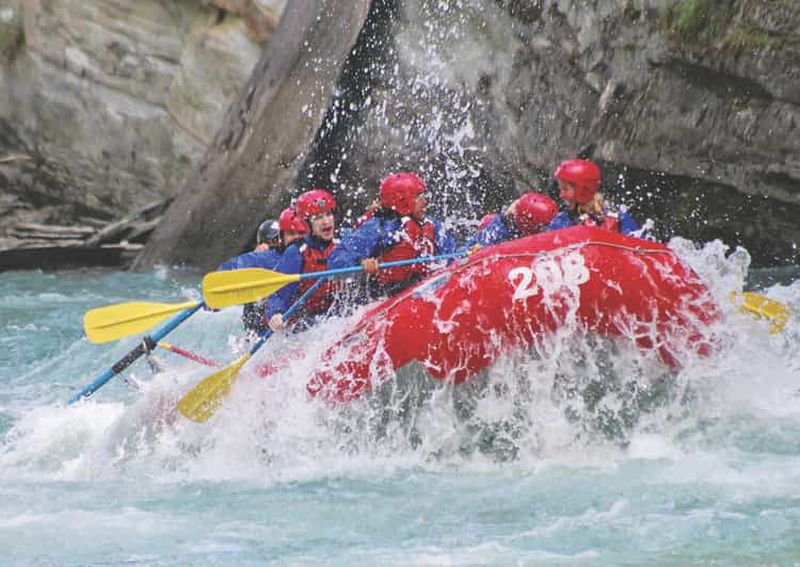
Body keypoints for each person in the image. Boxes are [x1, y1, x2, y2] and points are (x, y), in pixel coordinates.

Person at [328, 171, 457, 299]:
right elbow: (336, 258)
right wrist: (361, 262)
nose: (425, 201)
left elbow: (452, 256)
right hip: (386, 298)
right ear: (403, 202)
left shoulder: (432, 224)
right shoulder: (379, 228)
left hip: (426, 290)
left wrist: (468, 252)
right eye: (418, 197)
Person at [217, 208, 309, 333]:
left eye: (276, 240)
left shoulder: (295, 255)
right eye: (271, 241)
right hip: (260, 324)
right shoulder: (261, 259)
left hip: (291, 317)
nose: (274, 244)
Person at [267, 189, 339, 332]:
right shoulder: (296, 253)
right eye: (318, 217)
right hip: (306, 323)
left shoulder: (344, 241)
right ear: (306, 223)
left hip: (339, 312)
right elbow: (279, 293)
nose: (326, 221)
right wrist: (276, 313)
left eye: (328, 214)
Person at [548, 159, 642, 235]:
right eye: (560, 189)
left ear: (583, 190)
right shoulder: (562, 221)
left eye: (565, 189)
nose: (561, 195)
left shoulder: (618, 218)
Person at [464, 192, 558, 250]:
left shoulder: (498, 234)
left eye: (516, 206)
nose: (514, 204)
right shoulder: (551, 228)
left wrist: (504, 219)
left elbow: (466, 254)